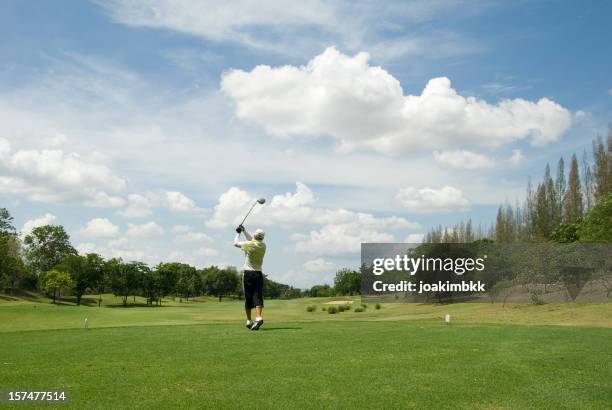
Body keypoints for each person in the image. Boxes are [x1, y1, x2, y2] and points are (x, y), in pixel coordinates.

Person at [234, 224, 266, 330]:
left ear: (255, 235)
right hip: (258, 274)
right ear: (262, 237)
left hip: (248, 274)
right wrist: (244, 231)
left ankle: (248, 320)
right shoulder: (263, 245)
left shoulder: (249, 244)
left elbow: (235, 243)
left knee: (248, 297)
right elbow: (252, 240)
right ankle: (258, 317)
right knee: (258, 296)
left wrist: (238, 233)